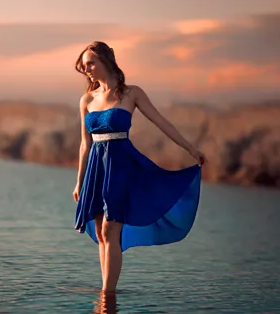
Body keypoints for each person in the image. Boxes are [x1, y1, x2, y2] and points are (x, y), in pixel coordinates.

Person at [72, 41, 206, 294]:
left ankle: (106, 296)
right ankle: (106, 295)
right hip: (95, 171)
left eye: (91, 63)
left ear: (106, 61)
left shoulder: (132, 93)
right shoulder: (87, 99)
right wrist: (79, 181)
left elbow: (161, 123)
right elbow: (84, 144)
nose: (86, 69)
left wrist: (190, 149)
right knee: (101, 233)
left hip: (121, 166)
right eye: (83, 65)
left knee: (111, 228)